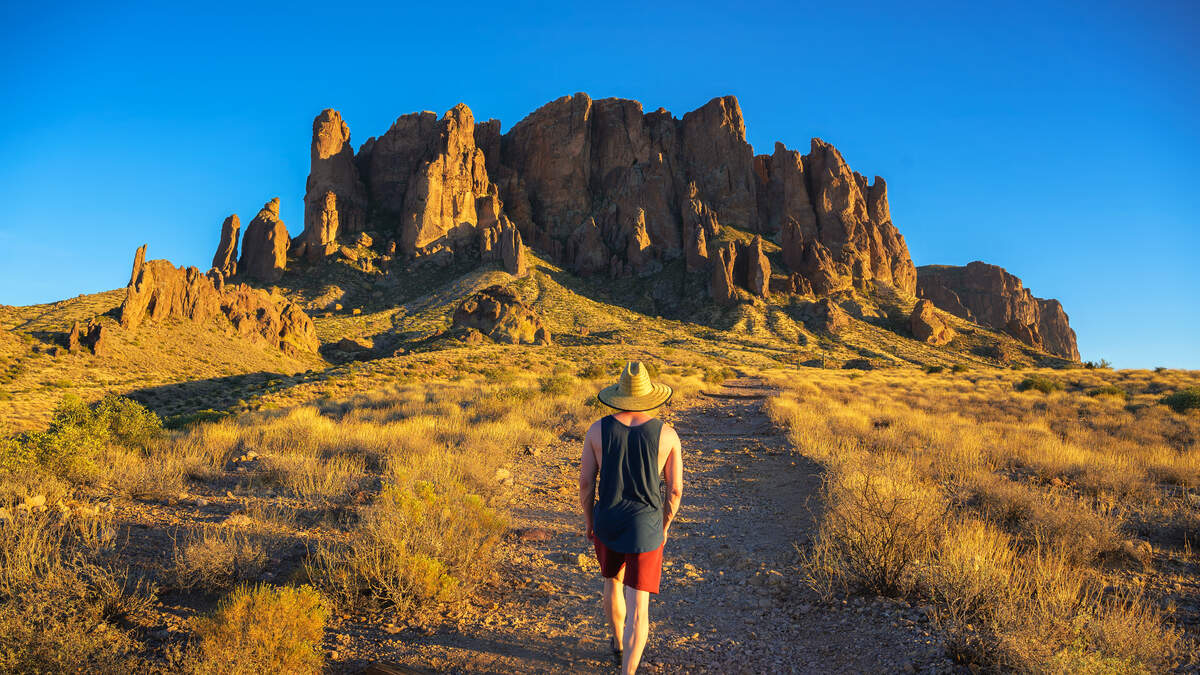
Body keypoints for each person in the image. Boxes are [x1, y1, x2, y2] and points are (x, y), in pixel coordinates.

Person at [579, 361, 683, 674]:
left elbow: (586, 484)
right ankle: (628, 670)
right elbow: (675, 490)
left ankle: (617, 642)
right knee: (640, 608)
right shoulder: (667, 435)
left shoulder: (597, 430)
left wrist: (589, 521)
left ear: (619, 394)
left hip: (607, 522)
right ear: (649, 396)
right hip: (646, 528)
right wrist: (664, 525)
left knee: (612, 581)